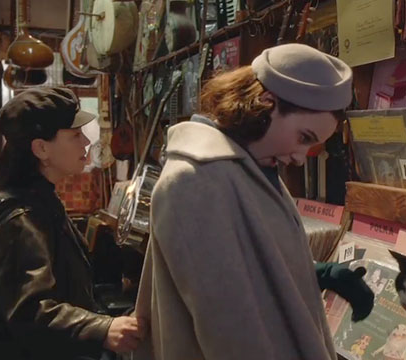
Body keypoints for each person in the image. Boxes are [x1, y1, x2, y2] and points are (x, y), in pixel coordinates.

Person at [134, 43, 374, 360]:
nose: (301, 159)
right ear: (265, 102)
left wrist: (316, 272)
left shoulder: (249, 167)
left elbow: (245, 261)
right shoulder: (197, 181)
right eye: (304, 137)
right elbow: (228, 329)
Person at [0, 87, 145, 360]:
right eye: (75, 135)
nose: (85, 143)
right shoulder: (18, 218)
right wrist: (104, 329)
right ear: (41, 148)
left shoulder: (35, 198)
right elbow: (30, 312)